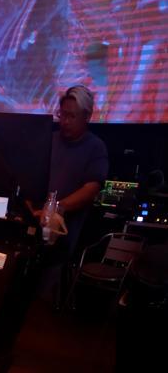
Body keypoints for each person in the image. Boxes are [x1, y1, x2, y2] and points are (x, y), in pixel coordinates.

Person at [35, 85, 109, 302]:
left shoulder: (95, 147)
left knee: (44, 296)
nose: (65, 121)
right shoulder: (49, 140)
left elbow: (91, 188)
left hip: (64, 237)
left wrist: (57, 209)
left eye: (71, 116)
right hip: (34, 225)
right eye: (62, 115)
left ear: (87, 116)